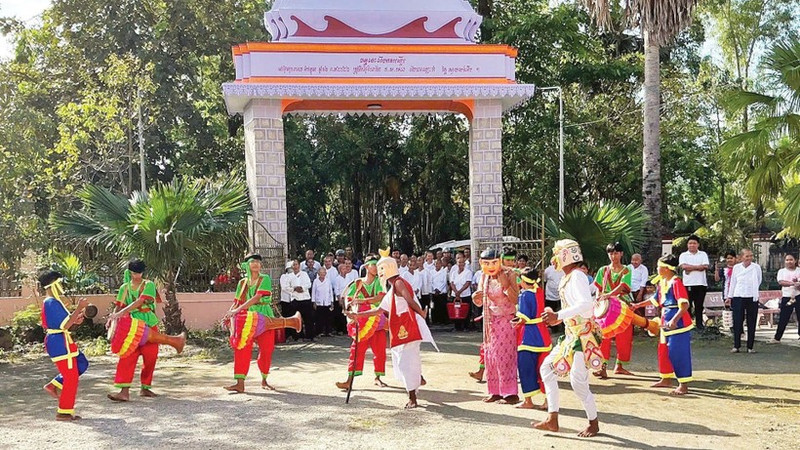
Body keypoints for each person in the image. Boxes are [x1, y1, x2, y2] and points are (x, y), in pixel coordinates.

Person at [346, 250, 436, 409]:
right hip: (400, 327)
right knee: (402, 360)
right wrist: (357, 315)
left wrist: (421, 313)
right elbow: (379, 310)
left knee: (407, 361)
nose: (379, 272)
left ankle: (412, 397)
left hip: (407, 326)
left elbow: (409, 300)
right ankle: (415, 382)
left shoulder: (399, 283)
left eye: (381, 269)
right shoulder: (393, 286)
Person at [534, 239, 602, 437]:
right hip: (571, 335)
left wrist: (558, 316)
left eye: (556, 254)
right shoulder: (569, 277)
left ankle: (593, 423)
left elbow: (585, 306)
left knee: (578, 382)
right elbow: (576, 308)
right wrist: (558, 318)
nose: (553, 259)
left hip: (581, 338)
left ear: (565, 256)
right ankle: (552, 418)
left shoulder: (577, 277)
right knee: (547, 369)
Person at [223, 254, 300, 393]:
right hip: (245, 321)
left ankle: (264, 380)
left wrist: (238, 309)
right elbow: (237, 301)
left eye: (258, 262)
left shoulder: (265, 279)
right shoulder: (242, 283)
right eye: (253, 262)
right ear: (246, 264)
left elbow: (258, 297)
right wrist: (229, 314)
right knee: (241, 349)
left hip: (264, 318)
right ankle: (240, 383)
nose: (256, 264)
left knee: (266, 350)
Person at [634, 255, 694, 395]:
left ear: (666, 269)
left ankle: (683, 384)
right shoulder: (662, 282)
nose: (657, 269)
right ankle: (666, 378)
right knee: (664, 351)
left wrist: (674, 320)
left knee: (678, 352)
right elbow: (655, 300)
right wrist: (637, 305)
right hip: (665, 322)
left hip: (678, 324)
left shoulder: (676, 282)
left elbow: (684, 305)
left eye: (659, 266)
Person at [107, 259, 165, 402]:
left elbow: (140, 301)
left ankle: (145, 388)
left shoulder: (149, 284)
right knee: (127, 355)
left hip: (149, 324)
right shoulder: (124, 288)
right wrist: (112, 318)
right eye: (135, 272)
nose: (137, 275)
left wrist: (120, 313)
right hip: (131, 325)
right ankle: (124, 392)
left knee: (151, 355)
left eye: (139, 272)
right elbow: (118, 306)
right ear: (131, 272)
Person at [39, 270, 90, 421]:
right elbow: (64, 325)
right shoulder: (51, 302)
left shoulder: (53, 301)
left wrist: (76, 319)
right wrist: (79, 308)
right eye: (60, 282)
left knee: (81, 362)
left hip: (62, 340)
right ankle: (64, 412)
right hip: (59, 342)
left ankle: (54, 384)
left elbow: (66, 324)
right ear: (54, 284)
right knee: (71, 376)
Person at [472, 248, 520, 404]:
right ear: (481, 263)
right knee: (490, 356)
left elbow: (516, 299)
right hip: (490, 321)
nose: (491, 266)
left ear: (499, 261)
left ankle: (510, 393)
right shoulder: (484, 276)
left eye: (494, 262)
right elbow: (480, 299)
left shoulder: (510, 274)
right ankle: (495, 391)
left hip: (506, 320)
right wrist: (476, 297)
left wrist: (505, 285)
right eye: (486, 263)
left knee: (505, 356)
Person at [336, 254, 388, 390]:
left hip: (376, 319)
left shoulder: (380, 282)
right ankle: (349, 380)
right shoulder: (358, 282)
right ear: (366, 266)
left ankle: (378, 377)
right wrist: (349, 307)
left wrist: (362, 301)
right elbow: (348, 297)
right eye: (373, 265)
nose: (376, 268)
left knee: (379, 350)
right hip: (361, 321)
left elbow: (379, 298)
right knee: (356, 350)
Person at [593, 242, 635, 379]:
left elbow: (623, 286)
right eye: (611, 253)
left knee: (624, 336)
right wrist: (598, 299)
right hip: (606, 307)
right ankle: (602, 367)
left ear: (621, 254)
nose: (613, 256)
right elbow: (599, 288)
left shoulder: (626, 270)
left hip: (622, 305)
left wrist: (608, 295)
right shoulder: (603, 270)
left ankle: (620, 365)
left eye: (616, 253)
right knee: (603, 336)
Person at [513, 267, 551, 410]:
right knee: (544, 370)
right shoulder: (539, 292)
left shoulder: (524, 295)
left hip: (528, 337)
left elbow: (523, 318)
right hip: (543, 336)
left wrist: (514, 324)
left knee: (526, 369)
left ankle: (528, 400)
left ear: (523, 280)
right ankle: (548, 400)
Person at [726, 248, 762, 353]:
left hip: (752, 296)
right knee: (737, 321)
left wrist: (752, 290)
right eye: (747, 256)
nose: (749, 258)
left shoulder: (756, 267)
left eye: (751, 256)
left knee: (751, 321)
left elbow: (759, 280)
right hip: (738, 296)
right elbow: (733, 282)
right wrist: (729, 296)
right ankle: (736, 345)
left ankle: (750, 346)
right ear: (741, 257)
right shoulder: (736, 268)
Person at [679, 235, 710, 329]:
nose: (692, 245)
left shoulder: (703, 254)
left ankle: (699, 324)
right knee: (687, 305)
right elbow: (684, 267)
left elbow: (705, 267)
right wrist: (698, 267)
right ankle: (688, 324)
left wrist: (691, 268)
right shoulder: (683, 255)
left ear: (698, 245)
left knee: (699, 305)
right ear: (687, 245)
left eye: (694, 243)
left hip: (701, 284)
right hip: (688, 284)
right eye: (690, 243)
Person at [769, 254, 800, 343]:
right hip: (787, 297)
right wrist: (792, 283)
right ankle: (777, 337)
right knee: (783, 317)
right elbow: (781, 282)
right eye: (787, 260)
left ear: (795, 260)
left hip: (798, 296)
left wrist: (798, 285)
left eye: (791, 259)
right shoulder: (782, 271)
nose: (789, 262)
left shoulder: (798, 270)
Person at [287, 259, 313, 341]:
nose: (295, 266)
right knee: (296, 319)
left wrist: (302, 288)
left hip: (305, 298)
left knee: (308, 318)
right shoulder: (289, 276)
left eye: (296, 264)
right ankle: (298, 336)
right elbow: (286, 287)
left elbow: (309, 284)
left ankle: (309, 336)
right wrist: (294, 289)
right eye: (293, 265)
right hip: (295, 299)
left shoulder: (304, 274)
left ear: (299, 265)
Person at [448, 252, 473, 331]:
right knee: (456, 311)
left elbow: (468, 283)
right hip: (455, 295)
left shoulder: (468, 272)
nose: (460, 264)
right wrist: (456, 292)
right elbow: (451, 283)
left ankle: (466, 327)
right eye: (459, 262)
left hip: (465, 295)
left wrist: (459, 291)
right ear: (456, 263)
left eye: (462, 262)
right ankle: (457, 327)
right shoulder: (454, 273)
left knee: (466, 312)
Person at [543, 258, 565, 333]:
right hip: (550, 296)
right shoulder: (548, 270)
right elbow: (545, 281)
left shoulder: (563, 269)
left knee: (561, 311)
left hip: (560, 295)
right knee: (550, 312)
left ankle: (563, 329)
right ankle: (552, 329)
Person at [312, 267, 335, 337]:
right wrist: (314, 302)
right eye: (321, 273)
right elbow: (313, 292)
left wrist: (332, 302)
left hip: (327, 301)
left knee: (328, 318)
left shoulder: (328, 281)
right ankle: (319, 332)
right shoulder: (315, 281)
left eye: (323, 273)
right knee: (319, 318)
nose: (322, 274)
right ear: (318, 274)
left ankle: (328, 332)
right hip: (319, 302)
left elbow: (330, 291)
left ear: (325, 273)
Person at [280, 260, 298, 340]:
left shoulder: (295, 276)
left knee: (294, 317)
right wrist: (293, 289)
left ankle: (294, 335)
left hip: (294, 299)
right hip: (285, 300)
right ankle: (287, 335)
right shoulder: (283, 276)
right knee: (286, 318)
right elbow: (284, 288)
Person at [430, 258, 449, 325]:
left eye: (438, 263)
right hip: (434, 292)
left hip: (442, 292)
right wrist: (435, 289)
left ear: (441, 264)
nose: (437, 265)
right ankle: (435, 321)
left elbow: (444, 282)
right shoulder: (431, 272)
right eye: (435, 264)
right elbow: (431, 282)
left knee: (442, 307)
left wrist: (439, 290)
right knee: (435, 307)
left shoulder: (444, 272)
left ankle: (443, 321)